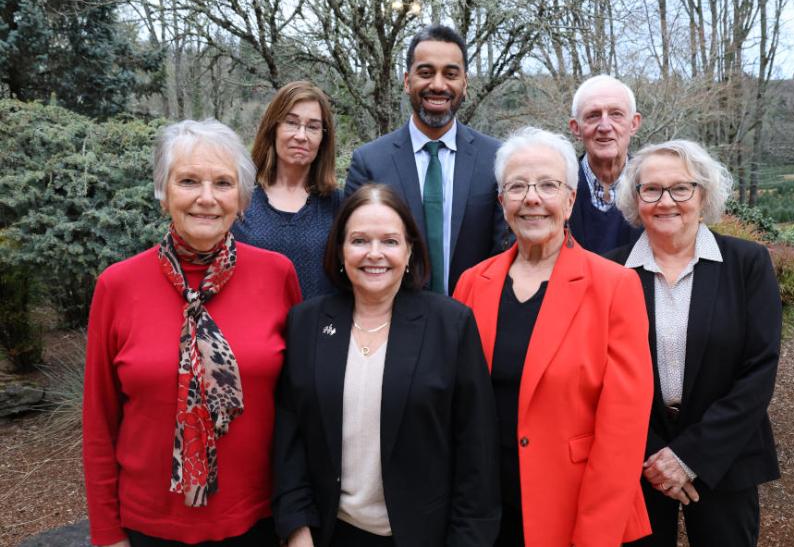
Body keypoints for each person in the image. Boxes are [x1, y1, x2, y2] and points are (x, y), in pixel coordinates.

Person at [83, 119, 302, 546]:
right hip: (147, 527)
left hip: (258, 521)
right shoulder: (117, 285)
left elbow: (297, 408)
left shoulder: (277, 275)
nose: (206, 198)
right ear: (164, 194)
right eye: (188, 181)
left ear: (241, 200)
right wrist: (108, 535)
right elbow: (99, 423)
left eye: (223, 183)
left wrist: (296, 518)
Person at [453, 127, 654, 546]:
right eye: (517, 186)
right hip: (485, 513)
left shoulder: (614, 287)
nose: (532, 198)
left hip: (576, 510)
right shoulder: (473, 283)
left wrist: (595, 536)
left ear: (570, 199)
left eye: (548, 185)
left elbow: (623, 432)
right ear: (501, 201)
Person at [273, 183, 500, 547]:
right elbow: (290, 438)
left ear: (409, 250)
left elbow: (478, 456)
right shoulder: (307, 322)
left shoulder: (450, 325)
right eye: (360, 240)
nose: (374, 254)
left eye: (390, 242)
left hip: (422, 536)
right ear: (341, 250)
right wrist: (297, 530)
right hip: (328, 534)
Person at [607, 140, 781, 546]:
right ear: (636, 200)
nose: (666, 201)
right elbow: (600, 374)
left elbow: (760, 369)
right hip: (636, 460)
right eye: (651, 189)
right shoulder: (610, 271)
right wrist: (653, 456)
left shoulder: (747, 264)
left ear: (703, 194)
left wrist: (689, 458)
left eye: (680, 188)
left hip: (726, 457)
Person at [346, 25, 508, 295]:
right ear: (407, 81)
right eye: (426, 73)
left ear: (464, 84)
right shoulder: (369, 162)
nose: (438, 85)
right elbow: (353, 249)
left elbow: (505, 251)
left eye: (450, 74)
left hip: (475, 320)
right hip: (394, 323)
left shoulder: (496, 159)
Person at [233, 80, 342, 298]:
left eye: (312, 127)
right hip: (256, 329)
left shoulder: (338, 204)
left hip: (320, 329)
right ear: (273, 128)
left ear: (323, 138)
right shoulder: (240, 199)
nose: (301, 136)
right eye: (291, 123)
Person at [568, 74, 643, 254]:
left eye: (616, 114)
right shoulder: (557, 189)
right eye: (593, 116)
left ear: (634, 124)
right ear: (575, 128)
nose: (604, 126)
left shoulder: (656, 189)